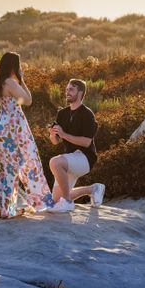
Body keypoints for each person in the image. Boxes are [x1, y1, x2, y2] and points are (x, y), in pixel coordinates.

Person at [0, 52, 55, 218]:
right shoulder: (9, 82)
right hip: (12, 129)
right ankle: (8, 209)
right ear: (14, 66)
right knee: (19, 166)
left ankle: (1, 207)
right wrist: (22, 80)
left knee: (5, 168)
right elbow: (28, 100)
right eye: (19, 66)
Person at [47, 79, 105, 213]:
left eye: (71, 90)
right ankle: (93, 189)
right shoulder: (62, 114)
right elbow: (55, 141)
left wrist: (64, 134)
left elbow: (86, 142)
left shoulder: (87, 114)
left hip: (85, 158)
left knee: (54, 162)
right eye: (66, 89)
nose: (67, 92)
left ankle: (67, 202)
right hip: (70, 159)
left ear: (80, 93)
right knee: (55, 200)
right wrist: (52, 134)